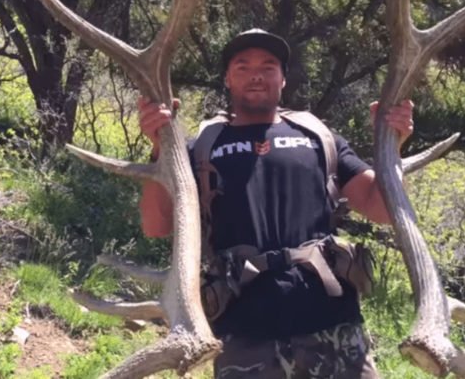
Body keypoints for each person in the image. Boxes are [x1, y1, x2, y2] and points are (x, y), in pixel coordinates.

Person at [137, 29, 413, 379]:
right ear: (227, 78)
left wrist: (392, 145)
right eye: (243, 66)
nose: (256, 74)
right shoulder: (202, 146)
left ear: (283, 79)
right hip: (244, 335)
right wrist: (160, 149)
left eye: (269, 66)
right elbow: (156, 225)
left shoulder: (318, 137)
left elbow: (384, 209)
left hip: (333, 326)